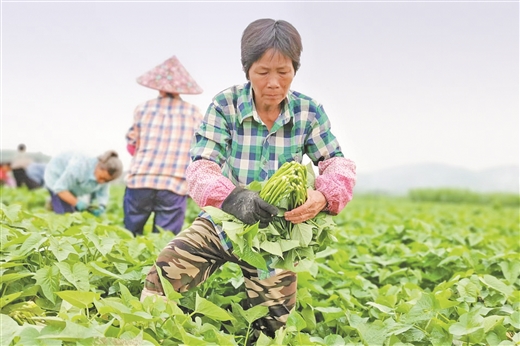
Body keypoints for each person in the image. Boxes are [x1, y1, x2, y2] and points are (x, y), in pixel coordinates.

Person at [140, 19, 357, 337]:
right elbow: (201, 165)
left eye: (283, 72)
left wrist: (323, 196)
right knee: (160, 279)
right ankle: (147, 336)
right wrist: (235, 198)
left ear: (294, 69)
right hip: (224, 221)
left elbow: (336, 163)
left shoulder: (308, 112)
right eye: (263, 72)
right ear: (247, 70)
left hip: (275, 236)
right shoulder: (225, 105)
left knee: (272, 325)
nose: (273, 83)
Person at [123, 55, 204, 236]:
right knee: (163, 240)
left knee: (130, 234)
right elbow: (199, 149)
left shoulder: (143, 108)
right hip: (174, 182)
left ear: (158, 87)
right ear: (181, 89)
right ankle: (154, 265)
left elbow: (132, 144)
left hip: (140, 179)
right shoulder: (195, 113)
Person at [44, 150, 123, 215]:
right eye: (102, 178)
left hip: (74, 184)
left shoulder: (106, 175)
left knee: (78, 213)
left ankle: (57, 203)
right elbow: (60, 188)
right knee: (66, 214)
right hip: (57, 177)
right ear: (99, 166)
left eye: (106, 181)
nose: (102, 182)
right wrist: (78, 203)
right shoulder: (79, 167)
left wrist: (102, 206)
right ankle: (54, 202)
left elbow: (103, 193)